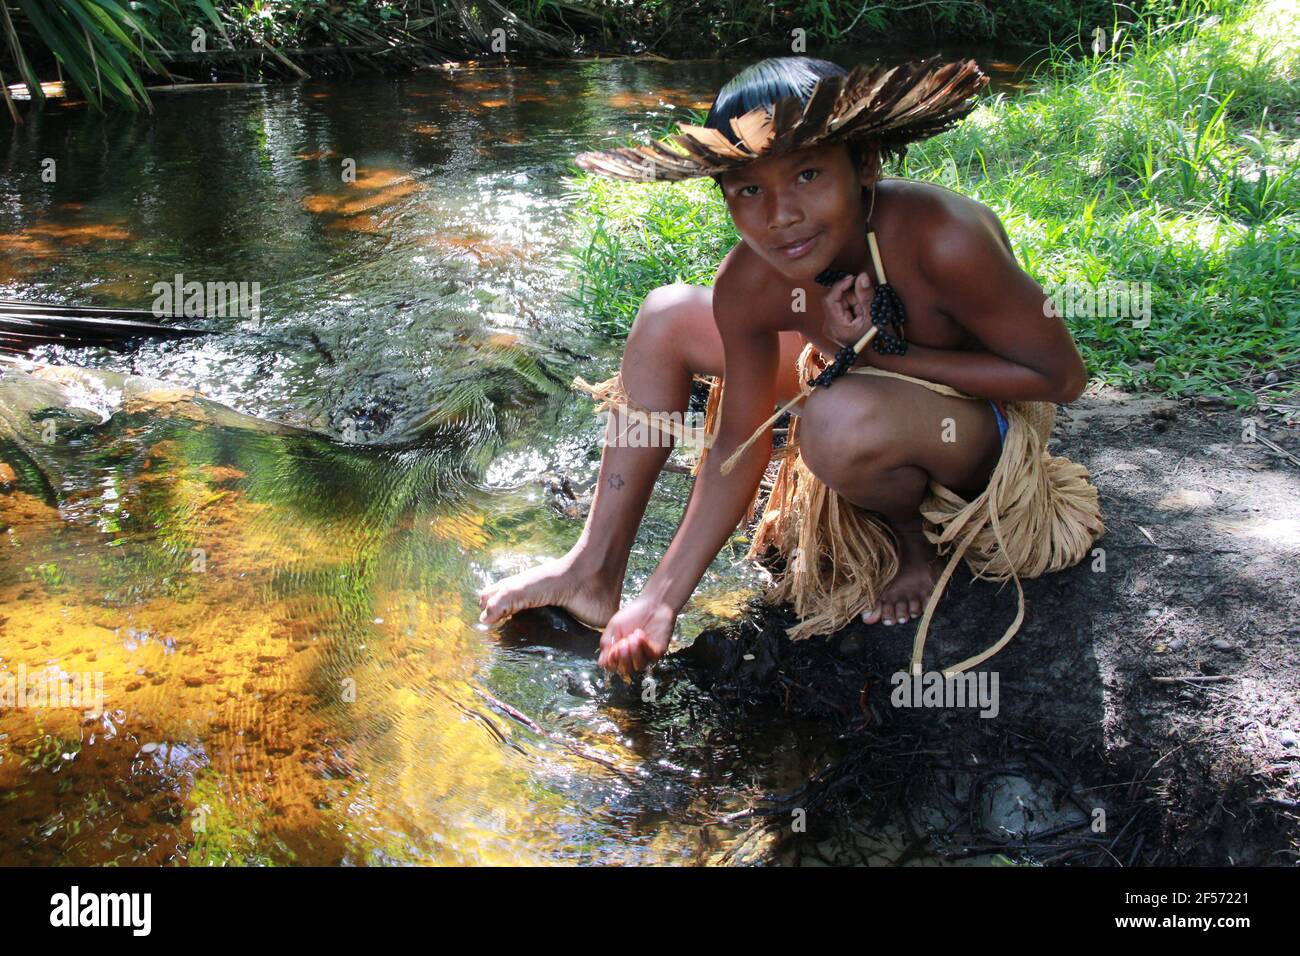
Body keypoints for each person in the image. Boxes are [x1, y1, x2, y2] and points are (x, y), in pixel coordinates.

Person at [478, 55, 1104, 679]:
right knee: (666, 316)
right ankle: (593, 566)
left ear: (864, 165)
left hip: (970, 421)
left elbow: (1060, 379)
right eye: (749, 190)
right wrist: (662, 599)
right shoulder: (751, 282)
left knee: (837, 417)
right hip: (847, 379)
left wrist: (887, 353)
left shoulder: (942, 236)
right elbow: (738, 443)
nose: (781, 216)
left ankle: (912, 544)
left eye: (807, 174)